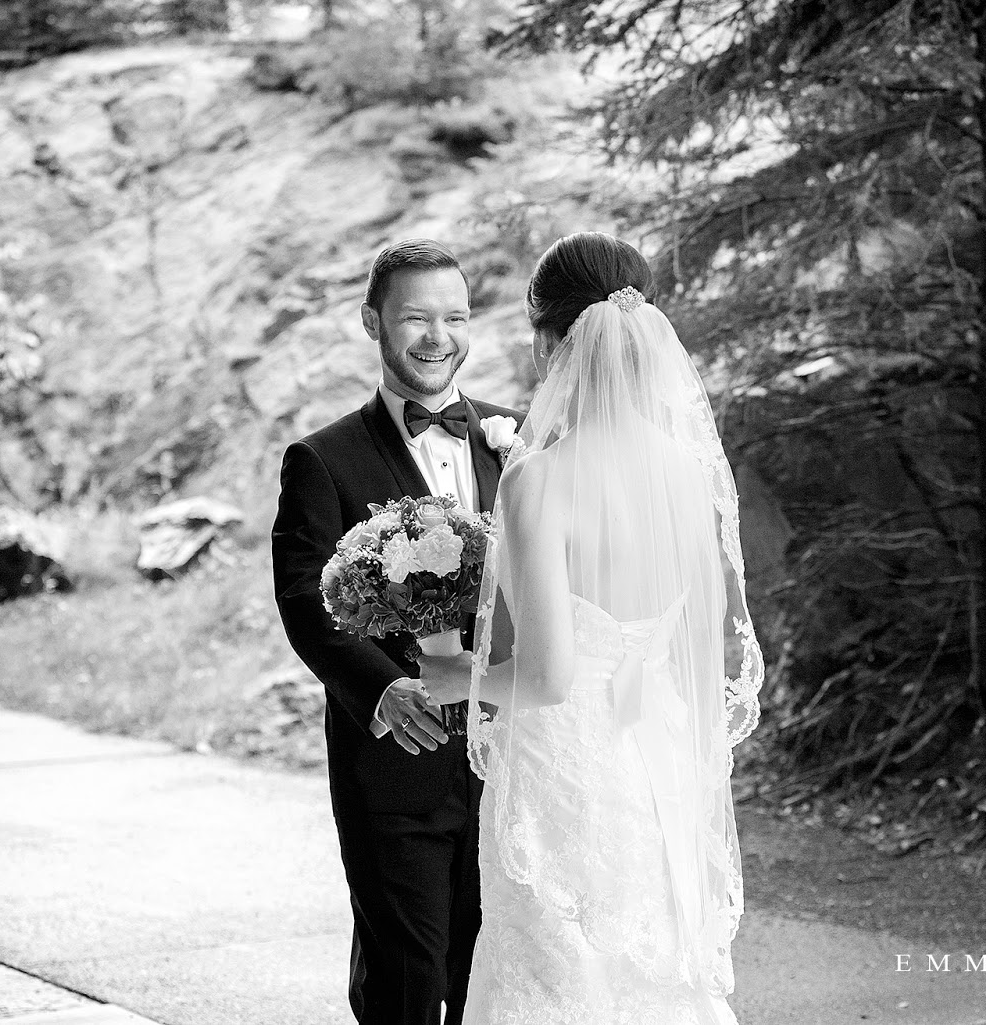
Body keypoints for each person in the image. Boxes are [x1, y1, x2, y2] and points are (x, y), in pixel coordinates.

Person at [420, 231, 765, 1024]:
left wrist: (451, 676)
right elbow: (687, 644)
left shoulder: (540, 479)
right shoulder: (686, 472)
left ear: (549, 343)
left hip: (563, 769)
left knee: (557, 970)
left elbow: (547, 679)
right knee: (650, 972)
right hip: (654, 754)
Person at [271, 238, 523, 1025]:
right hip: (392, 764)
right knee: (405, 983)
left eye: (456, 317)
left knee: (496, 977)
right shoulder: (322, 460)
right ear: (371, 323)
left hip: (514, 765)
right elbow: (305, 599)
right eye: (415, 317)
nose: (437, 337)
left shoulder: (518, 439)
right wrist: (382, 690)